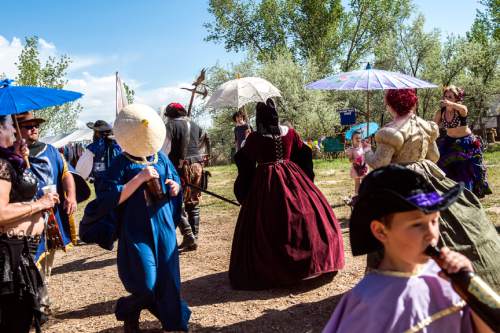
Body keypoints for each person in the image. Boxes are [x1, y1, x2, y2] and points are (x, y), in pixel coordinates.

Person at [323, 165, 492, 333]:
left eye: (434, 221)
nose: (431, 234)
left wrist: (471, 287)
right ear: (381, 231)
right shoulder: (367, 303)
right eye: (417, 224)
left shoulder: (446, 278)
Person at [363, 89, 500, 290]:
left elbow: (380, 163)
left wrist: (366, 151)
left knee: (399, 223)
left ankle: (403, 278)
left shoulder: (389, 132)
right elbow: (433, 157)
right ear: (413, 104)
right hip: (427, 173)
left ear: (391, 106)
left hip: (401, 180)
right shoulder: (425, 126)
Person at [83, 103, 190, 332]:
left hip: (164, 227)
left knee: (169, 282)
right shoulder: (121, 163)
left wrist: (175, 187)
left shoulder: (160, 158)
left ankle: (173, 321)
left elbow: (175, 180)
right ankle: (127, 309)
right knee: (146, 284)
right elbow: (108, 197)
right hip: (136, 230)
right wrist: (138, 179)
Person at [230, 99, 345, 290]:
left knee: (268, 221)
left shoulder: (255, 138)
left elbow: (244, 162)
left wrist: (244, 190)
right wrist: (306, 180)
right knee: (303, 216)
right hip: (292, 176)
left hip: (265, 181)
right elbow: (304, 154)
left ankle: (276, 266)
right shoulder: (290, 133)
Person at [0, 115, 60, 333]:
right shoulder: (1, 165)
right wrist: (39, 205)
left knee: (20, 319)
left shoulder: (9, 161)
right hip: (7, 254)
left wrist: (19, 157)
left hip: (20, 250)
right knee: (13, 321)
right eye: (10, 126)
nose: (16, 132)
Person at [162, 102, 210, 252]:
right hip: (197, 166)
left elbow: (164, 150)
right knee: (193, 202)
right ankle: (193, 237)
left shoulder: (169, 127)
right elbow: (203, 142)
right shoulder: (195, 125)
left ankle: (189, 235)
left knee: (177, 201)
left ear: (170, 115)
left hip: (180, 168)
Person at [433, 85, 492, 198]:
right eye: (445, 96)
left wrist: (451, 104)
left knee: (474, 168)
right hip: (449, 142)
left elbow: (463, 109)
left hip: (466, 142)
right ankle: (450, 193)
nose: (447, 99)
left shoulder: (461, 109)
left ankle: (473, 192)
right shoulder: (440, 112)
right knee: (443, 165)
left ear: (456, 98)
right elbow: (433, 126)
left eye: (450, 96)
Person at [76, 120, 122, 194]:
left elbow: (80, 169)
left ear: (97, 133)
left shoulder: (93, 148)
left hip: (102, 186)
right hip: (119, 184)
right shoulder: (119, 145)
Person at [345, 130, 369, 195]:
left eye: (359, 138)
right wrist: (355, 160)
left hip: (364, 167)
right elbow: (350, 160)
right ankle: (357, 196)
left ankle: (365, 195)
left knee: (365, 181)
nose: (358, 139)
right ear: (352, 140)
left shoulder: (363, 147)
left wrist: (367, 147)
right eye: (356, 138)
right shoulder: (351, 149)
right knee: (357, 182)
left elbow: (367, 154)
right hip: (356, 168)